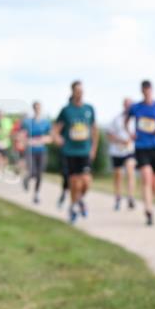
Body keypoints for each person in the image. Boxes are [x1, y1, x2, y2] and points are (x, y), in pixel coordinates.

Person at [52, 81, 98, 224]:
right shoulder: (66, 110)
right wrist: (57, 138)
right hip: (70, 151)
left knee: (86, 182)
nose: (80, 93)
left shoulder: (89, 109)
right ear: (72, 92)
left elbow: (94, 130)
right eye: (77, 90)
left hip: (84, 151)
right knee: (74, 182)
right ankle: (73, 207)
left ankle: (79, 200)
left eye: (81, 90)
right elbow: (55, 129)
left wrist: (93, 148)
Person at [127, 81, 155, 226]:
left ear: (152, 90)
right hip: (141, 146)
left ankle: (150, 200)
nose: (147, 93)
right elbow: (125, 120)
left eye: (149, 90)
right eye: (144, 90)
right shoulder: (136, 107)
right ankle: (148, 210)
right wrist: (130, 133)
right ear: (142, 91)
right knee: (146, 176)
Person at [108, 98, 137, 211]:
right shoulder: (117, 119)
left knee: (130, 170)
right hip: (117, 150)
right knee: (118, 175)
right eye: (126, 105)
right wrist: (120, 140)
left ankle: (130, 197)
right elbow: (109, 135)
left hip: (130, 150)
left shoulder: (135, 119)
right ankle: (118, 197)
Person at [22, 101, 52, 204]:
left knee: (39, 174)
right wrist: (28, 141)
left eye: (39, 107)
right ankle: (26, 179)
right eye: (35, 107)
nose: (37, 109)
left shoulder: (46, 123)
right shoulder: (28, 122)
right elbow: (22, 136)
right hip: (30, 151)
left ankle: (36, 194)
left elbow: (51, 138)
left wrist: (43, 139)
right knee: (32, 172)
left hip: (42, 151)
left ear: (41, 108)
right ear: (33, 108)